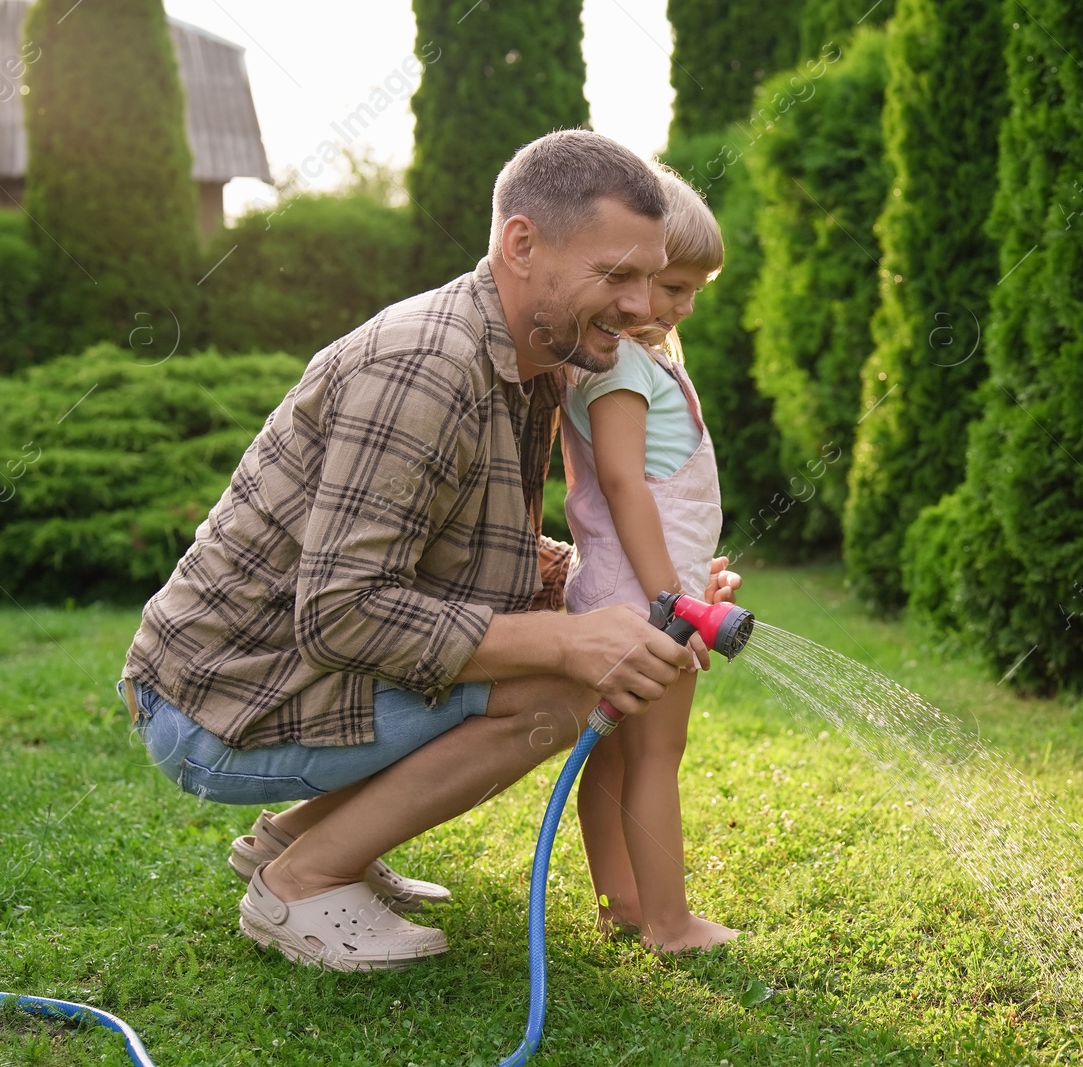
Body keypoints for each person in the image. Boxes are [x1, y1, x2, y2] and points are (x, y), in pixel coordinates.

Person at [117, 130, 740, 972]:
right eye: (616, 275)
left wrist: (643, 593)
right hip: (217, 706)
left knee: (585, 638)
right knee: (563, 679)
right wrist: (569, 638)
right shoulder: (427, 368)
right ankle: (302, 881)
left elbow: (476, 551)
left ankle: (298, 839)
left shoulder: (532, 359)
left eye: (650, 275)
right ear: (522, 244)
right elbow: (341, 611)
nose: (643, 309)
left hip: (280, 669)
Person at [561, 168, 739, 953]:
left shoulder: (622, 361)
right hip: (644, 597)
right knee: (659, 752)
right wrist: (674, 596)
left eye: (695, 290)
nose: (679, 306)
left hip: (619, 586)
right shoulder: (628, 367)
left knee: (608, 751)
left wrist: (689, 571)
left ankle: (623, 903)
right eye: (670, 284)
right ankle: (670, 921)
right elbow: (626, 484)